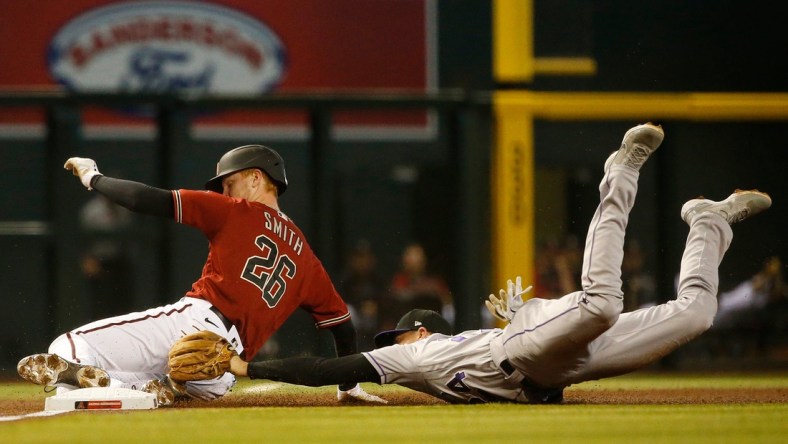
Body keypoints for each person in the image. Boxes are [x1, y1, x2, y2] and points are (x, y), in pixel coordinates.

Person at [203, 123, 772, 403]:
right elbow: (341, 373)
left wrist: (252, 367)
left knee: (601, 304)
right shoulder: (433, 361)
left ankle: (619, 170)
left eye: (395, 335)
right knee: (697, 315)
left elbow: (334, 371)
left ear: (419, 330)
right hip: (556, 367)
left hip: (521, 352)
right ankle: (709, 222)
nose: (389, 343)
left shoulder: (420, 353)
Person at [16, 144, 384, 405]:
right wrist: (348, 387)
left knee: (67, 347)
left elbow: (147, 199)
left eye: (229, 182)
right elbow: (344, 329)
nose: (223, 190)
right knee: (80, 389)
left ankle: (113, 382)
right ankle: (139, 390)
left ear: (256, 178)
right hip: (220, 372)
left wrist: (93, 178)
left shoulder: (236, 210)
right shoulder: (306, 257)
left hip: (192, 325)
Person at [383, 242, 453, 328]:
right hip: (404, 329)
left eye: (417, 256)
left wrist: (448, 325)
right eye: (410, 255)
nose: (414, 260)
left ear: (424, 260)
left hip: (430, 330)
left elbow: (448, 304)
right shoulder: (398, 280)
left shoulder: (434, 283)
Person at [337, 239, 386, 351]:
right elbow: (341, 301)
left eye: (366, 257)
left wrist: (376, 306)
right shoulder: (346, 280)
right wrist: (360, 306)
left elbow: (386, 300)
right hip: (355, 318)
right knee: (349, 312)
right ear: (353, 260)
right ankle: (349, 349)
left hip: (375, 319)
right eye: (359, 257)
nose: (363, 262)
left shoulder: (378, 279)